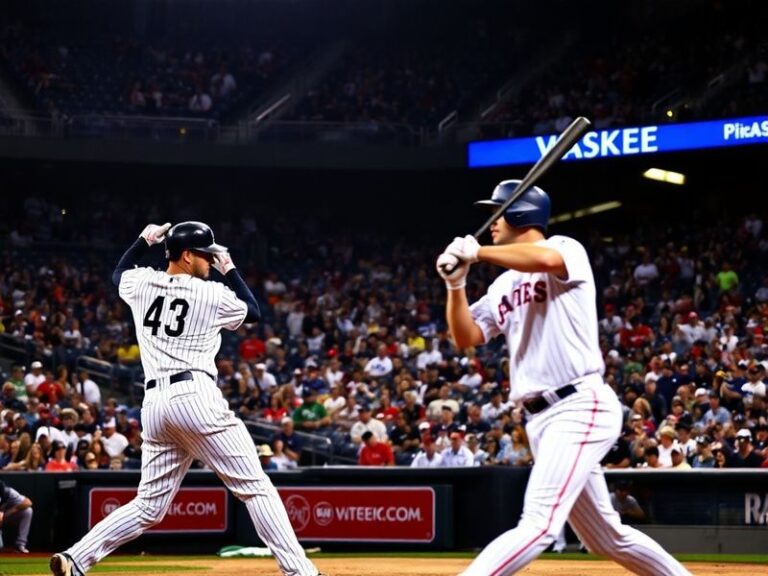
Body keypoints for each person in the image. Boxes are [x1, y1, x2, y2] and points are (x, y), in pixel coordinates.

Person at [436, 181, 690, 576]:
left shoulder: (567, 248)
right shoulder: (504, 283)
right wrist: (456, 286)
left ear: (520, 213)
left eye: (497, 212)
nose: (491, 222)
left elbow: (546, 259)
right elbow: (466, 336)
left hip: (579, 404)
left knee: (538, 524)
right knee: (607, 538)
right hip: (541, 418)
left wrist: (480, 252)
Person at [51, 222, 323, 576]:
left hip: (155, 406)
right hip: (195, 397)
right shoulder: (210, 293)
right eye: (206, 254)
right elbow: (253, 311)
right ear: (187, 255)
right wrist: (231, 269)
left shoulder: (142, 282)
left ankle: (75, 558)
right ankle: (300, 572)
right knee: (256, 488)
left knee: (149, 506)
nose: (211, 260)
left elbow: (119, 274)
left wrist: (141, 241)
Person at [0, 480, 33, 553]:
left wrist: (8, 513)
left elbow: (28, 502)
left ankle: (20, 545)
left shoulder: (8, 492)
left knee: (27, 511)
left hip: (6, 517)